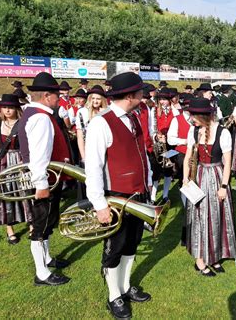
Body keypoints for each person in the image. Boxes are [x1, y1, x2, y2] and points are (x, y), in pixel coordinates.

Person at [85, 72, 153, 319]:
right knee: (115, 247)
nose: (143, 95)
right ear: (130, 96)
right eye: (140, 92)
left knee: (132, 242)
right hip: (116, 196)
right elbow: (92, 166)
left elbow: (141, 155)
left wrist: (148, 185)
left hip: (137, 193)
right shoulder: (101, 123)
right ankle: (114, 294)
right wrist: (99, 204)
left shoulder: (134, 117)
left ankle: (125, 286)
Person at [18, 72, 72, 286]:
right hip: (44, 181)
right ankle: (42, 273)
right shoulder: (40, 118)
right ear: (47, 96)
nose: (59, 98)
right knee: (39, 227)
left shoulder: (36, 113)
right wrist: (41, 185)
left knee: (47, 223)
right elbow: (39, 156)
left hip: (48, 179)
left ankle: (47, 259)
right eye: (56, 94)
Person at [182, 98, 236, 276]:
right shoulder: (194, 131)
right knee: (199, 217)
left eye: (194, 116)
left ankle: (214, 256)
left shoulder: (223, 133)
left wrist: (223, 186)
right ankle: (200, 260)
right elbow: (188, 157)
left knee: (217, 216)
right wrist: (185, 179)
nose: (191, 119)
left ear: (204, 116)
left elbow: (227, 163)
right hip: (198, 177)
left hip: (217, 176)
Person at [0, 94, 33, 244]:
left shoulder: (24, 122)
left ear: (17, 108)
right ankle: (10, 230)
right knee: (5, 195)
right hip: (3, 162)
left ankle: (31, 225)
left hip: (21, 160)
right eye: (5, 107)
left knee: (27, 193)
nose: (7, 110)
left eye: (10, 107)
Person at [167, 93, 193, 244]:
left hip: (196, 156)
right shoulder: (177, 119)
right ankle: (186, 207)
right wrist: (185, 140)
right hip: (183, 155)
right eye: (187, 108)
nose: (189, 110)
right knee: (186, 184)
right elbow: (171, 138)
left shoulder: (197, 120)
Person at [76, 85, 108, 163]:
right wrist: (84, 157)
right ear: (90, 99)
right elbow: (80, 137)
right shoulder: (82, 112)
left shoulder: (107, 111)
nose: (95, 101)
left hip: (105, 151)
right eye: (93, 98)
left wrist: (104, 113)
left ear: (103, 100)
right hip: (89, 151)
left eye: (98, 99)